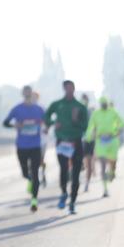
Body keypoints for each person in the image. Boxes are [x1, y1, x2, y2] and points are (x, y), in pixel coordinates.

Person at [43, 80, 89, 215]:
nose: (69, 90)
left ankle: (73, 202)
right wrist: (53, 123)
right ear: (64, 89)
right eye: (67, 88)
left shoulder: (80, 106)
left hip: (76, 142)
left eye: (71, 88)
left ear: (74, 88)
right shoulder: (57, 104)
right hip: (62, 142)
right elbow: (46, 116)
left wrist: (76, 121)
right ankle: (64, 192)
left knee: (76, 173)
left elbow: (85, 126)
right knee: (63, 169)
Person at [3, 85, 45, 212]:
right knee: (25, 173)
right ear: (22, 93)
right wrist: (14, 125)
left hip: (35, 146)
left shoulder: (39, 109)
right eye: (25, 92)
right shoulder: (17, 109)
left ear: (32, 93)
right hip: (22, 146)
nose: (27, 94)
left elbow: (48, 120)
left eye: (29, 92)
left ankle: (34, 200)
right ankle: (31, 180)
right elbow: (5, 123)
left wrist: (46, 126)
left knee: (35, 172)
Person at [85, 96, 124, 197]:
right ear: (100, 104)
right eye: (103, 104)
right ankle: (105, 189)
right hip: (101, 142)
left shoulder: (113, 112)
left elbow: (122, 123)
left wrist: (117, 131)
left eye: (105, 104)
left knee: (113, 163)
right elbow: (90, 126)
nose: (104, 106)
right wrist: (88, 137)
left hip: (112, 141)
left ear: (108, 103)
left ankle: (112, 172)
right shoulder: (96, 114)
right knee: (102, 166)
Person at [80, 93, 95, 193]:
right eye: (83, 99)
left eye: (85, 99)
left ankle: (87, 184)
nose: (84, 101)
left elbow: (96, 124)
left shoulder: (91, 111)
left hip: (89, 140)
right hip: (79, 140)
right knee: (79, 163)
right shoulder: (78, 110)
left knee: (89, 163)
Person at [33, 91, 48, 188]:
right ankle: (35, 179)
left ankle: (42, 174)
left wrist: (46, 128)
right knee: (33, 161)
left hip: (42, 140)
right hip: (31, 141)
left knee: (41, 160)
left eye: (35, 97)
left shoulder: (42, 109)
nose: (34, 99)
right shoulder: (27, 109)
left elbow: (47, 121)